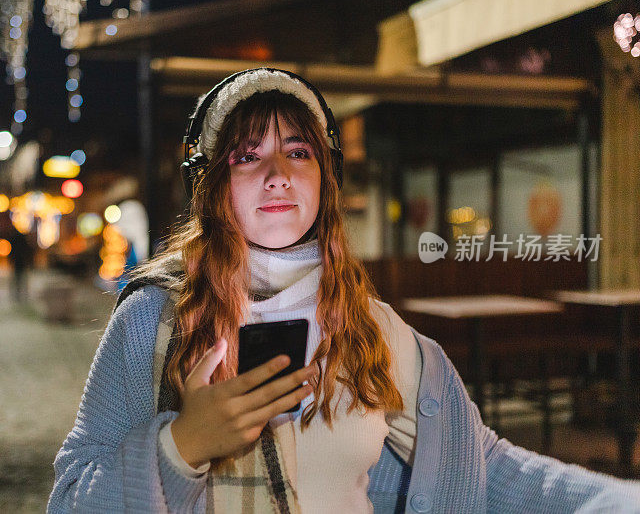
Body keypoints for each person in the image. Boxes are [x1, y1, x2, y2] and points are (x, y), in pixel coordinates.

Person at [47, 69, 640, 513]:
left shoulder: (369, 326)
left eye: (298, 151)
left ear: (324, 179)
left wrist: (617, 502)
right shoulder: (156, 318)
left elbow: (480, 466)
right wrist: (181, 446)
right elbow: (72, 495)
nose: (277, 172)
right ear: (211, 185)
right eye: (247, 155)